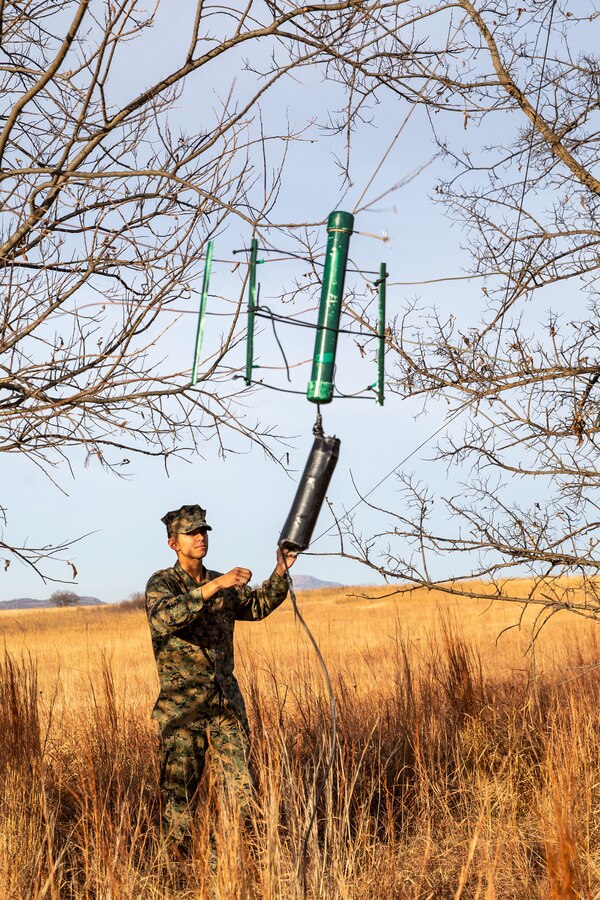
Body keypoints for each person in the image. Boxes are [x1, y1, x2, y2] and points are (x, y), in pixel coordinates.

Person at [144, 503, 296, 849]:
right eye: (192, 532)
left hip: (226, 707)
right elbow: (165, 618)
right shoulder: (162, 583)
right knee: (179, 803)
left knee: (241, 793)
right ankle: (176, 875)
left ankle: (227, 864)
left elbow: (256, 607)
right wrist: (215, 587)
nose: (200, 537)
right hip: (184, 712)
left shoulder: (220, 582)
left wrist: (280, 572)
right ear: (173, 544)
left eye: (203, 531)